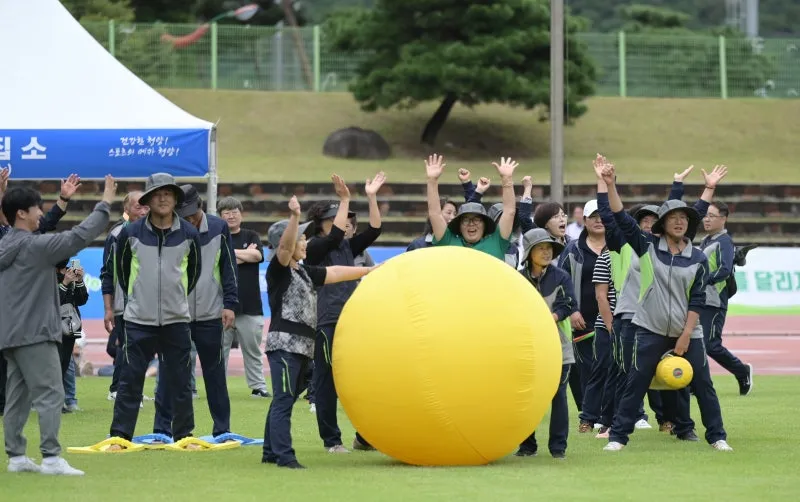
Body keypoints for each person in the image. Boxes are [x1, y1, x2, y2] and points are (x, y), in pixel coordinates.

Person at [598, 160, 733, 452]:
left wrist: (685, 335)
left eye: (684, 218)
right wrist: (609, 185)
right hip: (650, 327)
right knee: (636, 382)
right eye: (673, 217)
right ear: (663, 224)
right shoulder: (646, 246)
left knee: (703, 384)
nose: (679, 221)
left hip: (688, 331)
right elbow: (620, 217)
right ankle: (618, 437)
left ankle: (717, 436)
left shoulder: (697, 258)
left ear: (689, 224)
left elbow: (698, 299)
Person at [0, 174, 116, 475]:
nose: (41, 213)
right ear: (22, 213)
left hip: (11, 333)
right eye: (37, 208)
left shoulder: (5, 242)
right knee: (51, 393)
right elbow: (78, 236)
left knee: (17, 397)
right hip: (36, 333)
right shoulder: (35, 247)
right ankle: (51, 457)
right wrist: (105, 204)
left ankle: (16, 457)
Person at [262, 196, 377, 469]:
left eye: (304, 238)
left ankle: (269, 451)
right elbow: (284, 248)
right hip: (285, 346)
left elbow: (334, 272)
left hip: (303, 347)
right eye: (300, 239)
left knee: (286, 398)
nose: (305, 243)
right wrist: (294, 217)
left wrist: (370, 270)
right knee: (283, 400)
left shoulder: (304, 272)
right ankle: (285, 456)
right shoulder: (279, 271)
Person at [108, 173, 202, 451]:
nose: (163, 199)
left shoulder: (189, 233)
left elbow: (193, 274)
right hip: (139, 320)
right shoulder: (131, 233)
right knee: (129, 382)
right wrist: (139, 299)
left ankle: (184, 437)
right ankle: (120, 438)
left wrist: (175, 298)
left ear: (175, 199)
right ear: (148, 200)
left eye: (168, 194)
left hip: (176, 320)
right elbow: (123, 271)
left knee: (181, 383)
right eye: (157, 194)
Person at [305, 172, 385, 453]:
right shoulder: (315, 247)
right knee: (327, 381)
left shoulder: (347, 247)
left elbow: (374, 230)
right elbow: (335, 236)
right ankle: (332, 440)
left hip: (354, 320)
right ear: (320, 224)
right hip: (328, 321)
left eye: (348, 218)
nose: (345, 222)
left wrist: (371, 197)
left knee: (364, 378)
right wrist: (345, 199)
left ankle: (364, 437)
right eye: (337, 217)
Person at [152, 184, 238, 439]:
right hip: (176, 315)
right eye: (183, 214)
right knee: (169, 372)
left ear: (200, 206)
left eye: (191, 213)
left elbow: (229, 267)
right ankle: (161, 428)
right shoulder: (169, 229)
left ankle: (222, 429)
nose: (188, 219)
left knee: (215, 375)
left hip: (211, 314)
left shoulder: (219, 227)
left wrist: (230, 304)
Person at [0, 167, 75, 416]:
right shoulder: (7, 238)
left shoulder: (28, 237)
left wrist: (63, 199)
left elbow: (47, 221)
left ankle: (13, 405)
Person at [515, 229, 577, 459]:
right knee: (526, 396)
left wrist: (551, 317)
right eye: (540, 248)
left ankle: (558, 447)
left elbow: (569, 304)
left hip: (558, 347)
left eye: (549, 248)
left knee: (558, 396)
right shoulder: (517, 278)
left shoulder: (561, 276)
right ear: (529, 253)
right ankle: (527, 446)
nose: (546, 252)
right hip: (526, 348)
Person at [218, 196, 272, 398]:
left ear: (241, 214)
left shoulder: (251, 235)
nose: (231, 216)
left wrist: (229, 254)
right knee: (219, 351)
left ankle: (258, 387)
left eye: (235, 212)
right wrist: (243, 254)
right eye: (226, 212)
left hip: (250, 305)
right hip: (222, 305)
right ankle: (218, 388)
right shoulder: (217, 237)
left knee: (253, 350)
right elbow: (217, 261)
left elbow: (257, 256)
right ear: (220, 216)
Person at [558, 199, 606, 423]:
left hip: (613, 319)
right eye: (593, 217)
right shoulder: (573, 249)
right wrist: (572, 310)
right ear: (584, 221)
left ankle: (615, 413)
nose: (598, 220)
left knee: (612, 366)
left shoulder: (619, 247)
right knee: (586, 368)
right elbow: (562, 282)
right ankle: (590, 414)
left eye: (602, 216)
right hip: (582, 320)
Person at [699, 201, 753, 395]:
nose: (706, 219)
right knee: (695, 343)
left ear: (723, 219)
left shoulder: (724, 241)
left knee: (710, 345)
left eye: (711, 216)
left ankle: (742, 371)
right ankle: (694, 383)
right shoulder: (706, 240)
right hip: (700, 300)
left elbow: (724, 270)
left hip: (714, 302)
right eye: (706, 215)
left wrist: (702, 281)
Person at [101, 191, 148, 401]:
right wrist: (108, 308)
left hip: (148, 302)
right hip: (125, 302)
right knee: (128, 346)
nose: (143, 211)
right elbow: (107, 272)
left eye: (146, 207)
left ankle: (132, 390)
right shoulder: (118, 233)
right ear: (126, 208)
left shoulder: (153, 231)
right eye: (138, 207)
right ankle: (118, 389)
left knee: (141, 348)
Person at [425, 154, 518, 260]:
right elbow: (435, 214)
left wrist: (507, 180)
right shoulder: (448, 240)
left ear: (485, 224)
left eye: (477, 219)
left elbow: (509, 212)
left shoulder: (497, 241)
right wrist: (432, 180)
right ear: (459, 225)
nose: (471, 223)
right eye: (465, 220)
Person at [56, 258, 89, 411]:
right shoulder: (48, 276)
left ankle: (65, 401)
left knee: (64, 364)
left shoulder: (71, 274)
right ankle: (55, 401)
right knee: (54, 364)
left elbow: (82, 300)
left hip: (70, 326)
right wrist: (64, 283)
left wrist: (79, 281)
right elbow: (53, 302)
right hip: (53, 326)